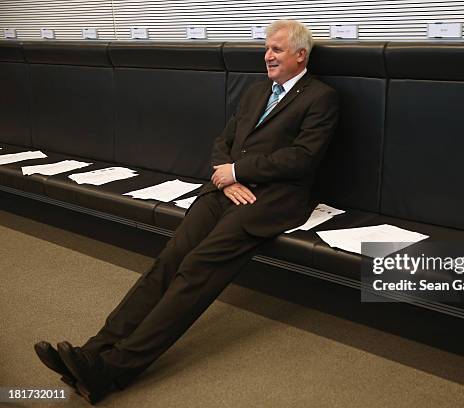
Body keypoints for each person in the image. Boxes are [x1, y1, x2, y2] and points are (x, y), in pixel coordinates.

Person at [34, 19, 339, 405]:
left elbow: (303, 158)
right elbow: (222, 141)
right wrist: (225, 175)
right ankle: (93, 351)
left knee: (196, 270)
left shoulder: (321, 97)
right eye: (266, 48)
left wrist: (238, 171)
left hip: (271, 202)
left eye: (276, 49)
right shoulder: (255, 91)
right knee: (167, 262)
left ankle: (113, 370)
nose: (268, 56)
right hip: (225, 190)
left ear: (300, 55)